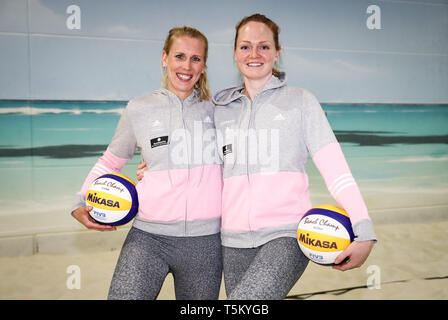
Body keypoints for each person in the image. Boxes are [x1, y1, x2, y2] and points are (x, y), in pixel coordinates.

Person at [211, 13, 377, 299]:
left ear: (277, 52)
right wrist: (150, 169)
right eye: (245, 46)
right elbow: (205, 171)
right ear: (235, 52)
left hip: (287, 236)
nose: (254, 54)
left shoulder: (301, 102)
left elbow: (335, 170)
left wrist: (365, 230)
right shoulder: (220, 110)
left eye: (263, 46)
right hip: (232, 240)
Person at [71, 26, 223, 300]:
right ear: (164, 58)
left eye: (195, 58)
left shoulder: (220, 112)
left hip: (205, 244)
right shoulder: (139, 108)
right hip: (148, 235)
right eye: (179, 56)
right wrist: (81, 201)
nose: (186, 66)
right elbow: (111, 160)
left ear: (204, 65)